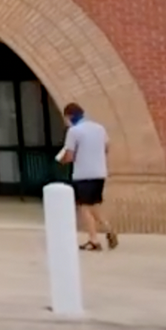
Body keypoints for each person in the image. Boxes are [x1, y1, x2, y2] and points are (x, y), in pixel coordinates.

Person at [58, 102, 117, 251]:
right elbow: (107, 147)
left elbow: (69, 156)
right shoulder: (99, 128)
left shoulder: (74, 131)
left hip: (83, 174)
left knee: (84, 208)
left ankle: (93, 239)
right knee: (94, 205)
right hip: (99, 173)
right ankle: (108, 229)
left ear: (69, 116)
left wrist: (61, 160)